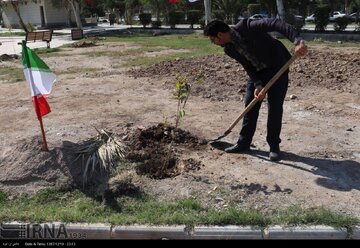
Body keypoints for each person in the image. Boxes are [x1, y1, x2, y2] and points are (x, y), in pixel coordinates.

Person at [204, 19, 307, 161]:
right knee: (250, 106)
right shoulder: (229, 49)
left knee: (275, 107)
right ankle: (243, 143)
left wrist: (297, 40)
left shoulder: (248, 26)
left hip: (278, 67)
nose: (213, 42)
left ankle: (274, 147)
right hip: (258, 73)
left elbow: (277, 24)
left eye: (212, 39)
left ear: (220, 35)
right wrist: (258, 84)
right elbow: (248, 65)